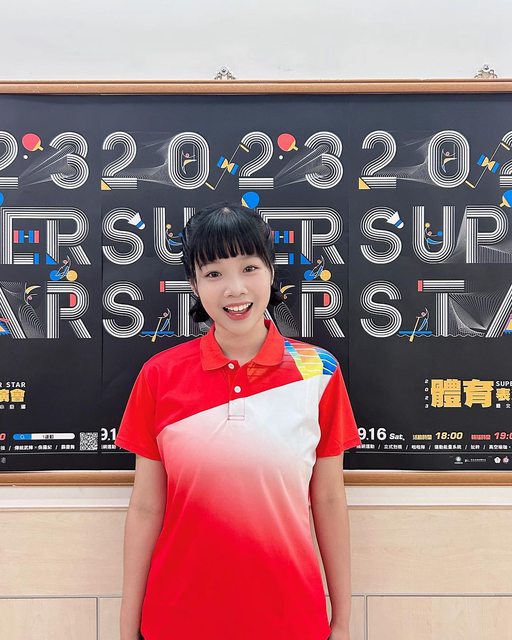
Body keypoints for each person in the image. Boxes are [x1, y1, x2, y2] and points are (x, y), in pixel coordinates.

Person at [115, 203, 361, 640]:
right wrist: (126, 626)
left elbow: (328, 500)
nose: (235, 289)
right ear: (194, 285)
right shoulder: (159, 375)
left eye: (249, 267)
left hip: (290, 620)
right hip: (177, 621)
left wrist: (341, 621)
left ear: (271, 273)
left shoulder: (319, 371)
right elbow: (146, 507)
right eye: (213, 273)